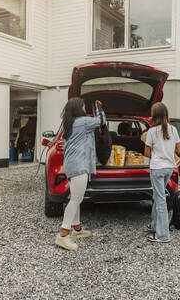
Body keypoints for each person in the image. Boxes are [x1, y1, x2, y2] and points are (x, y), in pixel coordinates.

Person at [55, 98, 106, 251]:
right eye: (84, 105)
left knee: (75, 197)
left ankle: (77, 229)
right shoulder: (83, 121)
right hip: (79, 165)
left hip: (71, 165)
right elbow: (102, 121)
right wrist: (99, 107)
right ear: (79, 108)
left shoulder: (71, 123)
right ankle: (63, 235)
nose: (85, 108)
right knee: (76, 199)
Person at [144, 102, 180, 243]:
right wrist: (167, 150)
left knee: (160, 201)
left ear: (154, 115)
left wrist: (157, 150)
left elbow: (147, 153)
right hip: (169, 168)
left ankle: (163, 235)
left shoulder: (152, 132)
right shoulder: (173, 130)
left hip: (157, 168)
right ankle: (155, 225)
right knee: (157, 196)